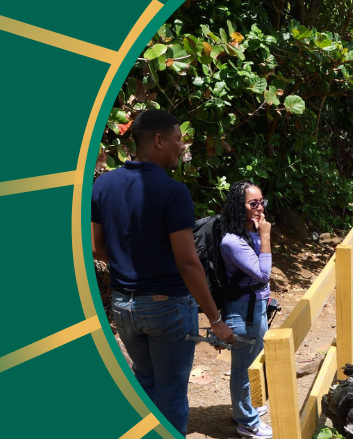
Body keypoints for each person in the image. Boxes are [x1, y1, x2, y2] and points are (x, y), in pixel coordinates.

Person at [91, 109, 234, 436]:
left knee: (144, 384)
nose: (182, 147)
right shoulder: (173, 192)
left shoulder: (104, 185)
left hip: (124, 307)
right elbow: (187, 262)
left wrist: (130, 259)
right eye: (178, 139)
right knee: (171, 394)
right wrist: (215, 319)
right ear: (158, 140)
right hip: (167, 305)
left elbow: (96, 247)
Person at [219, 180, 273, 439]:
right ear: (238, 207)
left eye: (262, 202)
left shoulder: (250, 231)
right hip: (241, 312)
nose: (260, 208)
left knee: (254, 360)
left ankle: (250, 407)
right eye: (253, 203)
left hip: (257, 307)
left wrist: (259, 234)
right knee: (242, 368)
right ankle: (246, 422)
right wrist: (265, 236)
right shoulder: (231, 241)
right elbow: (263, 273)